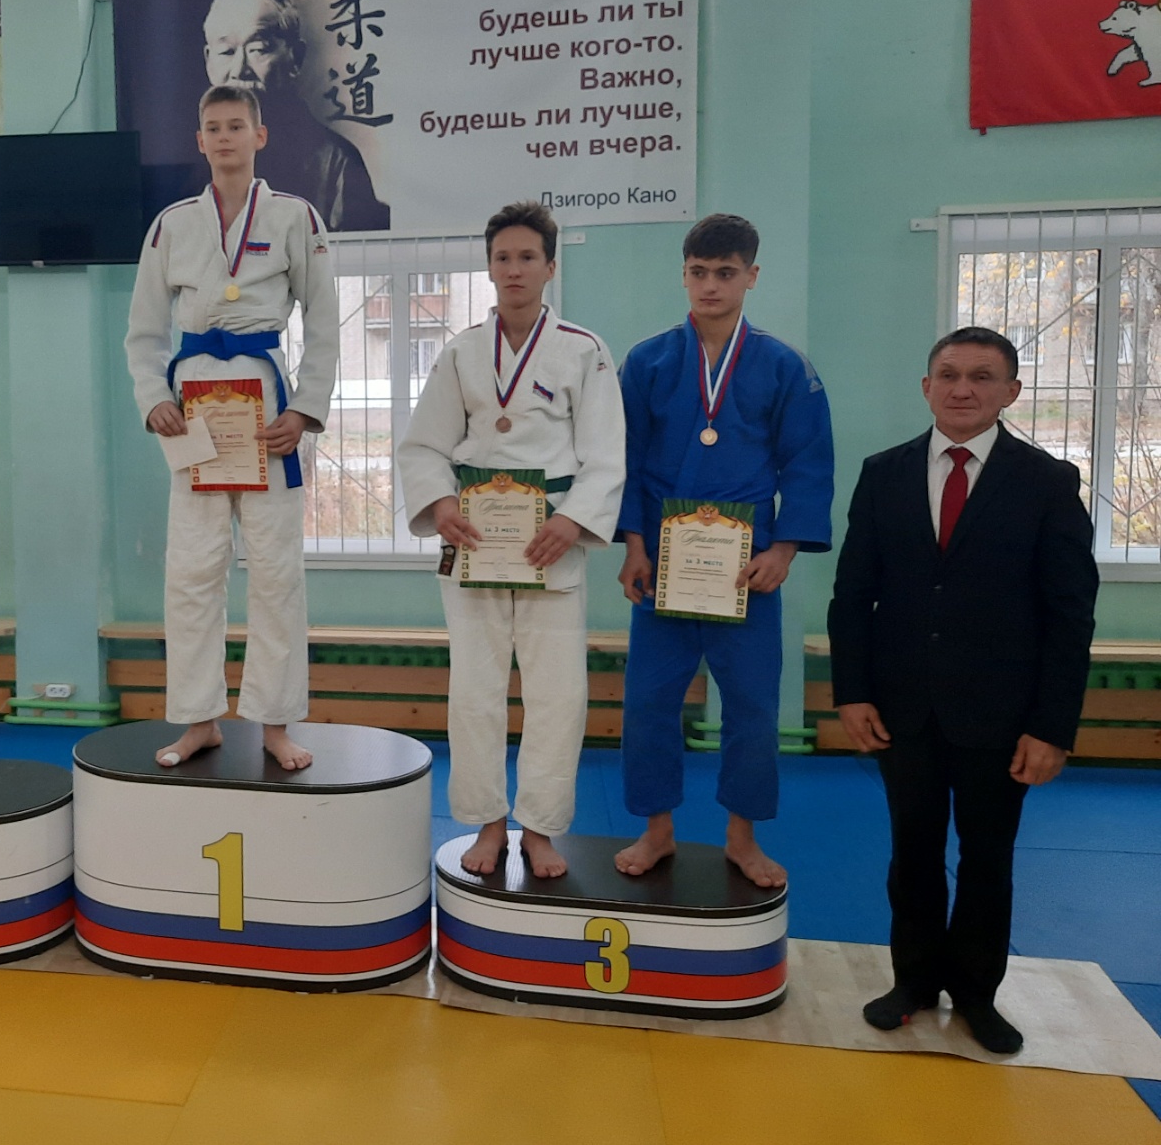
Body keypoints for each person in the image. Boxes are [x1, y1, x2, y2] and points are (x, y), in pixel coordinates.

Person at [828, 327, 1096, 1055]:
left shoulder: (1046, 482)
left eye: (982, 376)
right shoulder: (883, 473)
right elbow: (853, 594)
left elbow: (1070, 614)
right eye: (948, 374)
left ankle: (977, 994)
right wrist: (851, 691)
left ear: (1011, 392)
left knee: (987, 858)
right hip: (902, 707)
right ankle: (913, 981)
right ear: (926, 387)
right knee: (911, 852)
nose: (962, 389)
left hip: (1002, 714)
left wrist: (1053, 726)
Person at [398, 201, 625, 877]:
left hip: (551, 539)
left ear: (550, 267)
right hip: (476, 540)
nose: (515, 269)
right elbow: (424, 445)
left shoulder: (584, 349)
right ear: (490, 266)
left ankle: (541, 830)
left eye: (528, 257)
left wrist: (573, 519)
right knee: (475, 690)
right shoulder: (462, 351)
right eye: (503, 258)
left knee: (558, 694)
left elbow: (606, 453)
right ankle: (489, 824)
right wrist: (441, 503)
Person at [614, 215, 834, 888]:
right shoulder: (647, 361)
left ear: (751, 276)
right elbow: (625, 458)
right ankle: (657, 829)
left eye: (726, 272)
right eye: (699, 272)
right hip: (663, 563)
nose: (711, 284)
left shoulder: (784, 365)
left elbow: (807, 463)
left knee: (754, 708)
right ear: (684, 274)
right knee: (648, 702)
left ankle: (742, 837)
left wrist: (784, 551)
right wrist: (633, 545)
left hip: (747, 566)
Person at [126, 82, 338, 771]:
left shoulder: (295, 216)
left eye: (236, 126)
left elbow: (325, 323)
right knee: (192, 567)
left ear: (259, 135)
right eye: (213, 127)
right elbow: (143, 330)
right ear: (200, 140)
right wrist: (152, 398)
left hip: (267, 404)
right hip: (193, 405)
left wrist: (305, 409)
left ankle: (275, 723)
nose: (224, 137)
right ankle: (199, 719)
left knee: (276, 571)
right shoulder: (171, 224)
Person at [202, 0, 390, 232]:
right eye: (226, 52)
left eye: (258, 49)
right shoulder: (192, 160)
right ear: (208, 60)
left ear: (296, 57)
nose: (239, 70)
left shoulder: (337, 165)